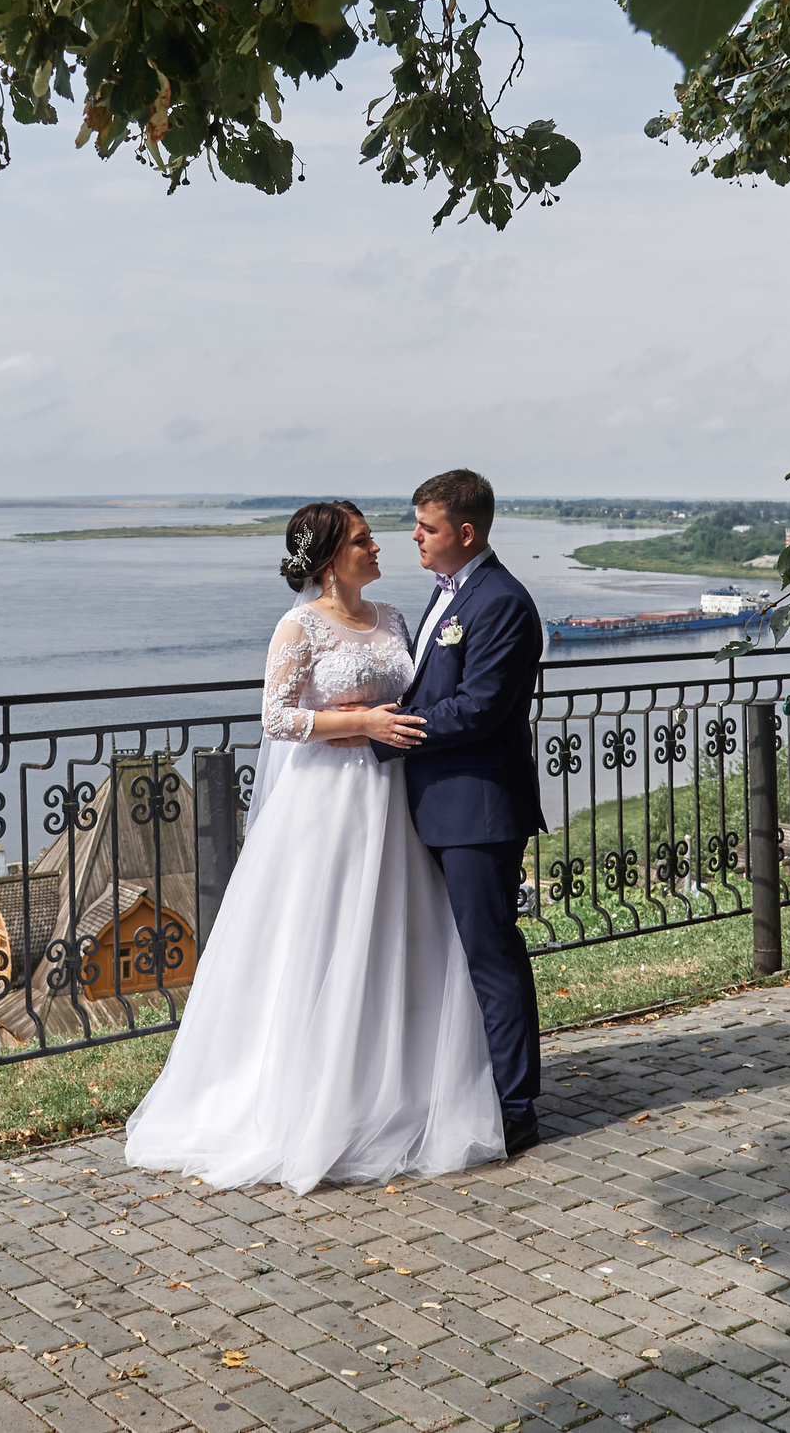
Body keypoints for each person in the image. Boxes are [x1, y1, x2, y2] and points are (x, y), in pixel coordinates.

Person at [121, 501, 506, 1192]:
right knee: (322, 936)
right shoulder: (298, 625)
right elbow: (275, 716)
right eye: (364, 540)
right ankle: (309, 1098)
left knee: (393, 938)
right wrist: (357, 720)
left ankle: (393, 1088)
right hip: (323, 802)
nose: (379, 546)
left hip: (391, 801)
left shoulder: (391, 617)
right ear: (331, 559)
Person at [370, 468, 549, 1158]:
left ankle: (515, 1106)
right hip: (437, 806)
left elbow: (478, 707)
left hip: (477, 809)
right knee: (449, 956)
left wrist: (392, 729)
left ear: (465, 532)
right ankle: (459, 1086)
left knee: (491, 953)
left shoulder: (501, 601)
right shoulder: (448, 595)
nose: (413, 535)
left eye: (427, 525)